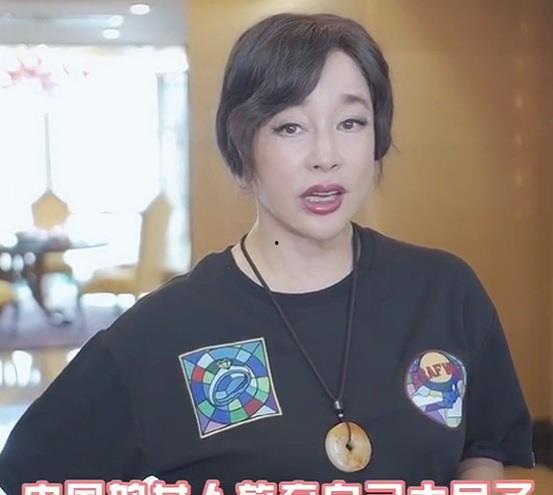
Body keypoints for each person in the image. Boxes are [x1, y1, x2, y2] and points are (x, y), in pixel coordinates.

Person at [0, 12, 534, 494]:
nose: (325, 156)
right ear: (242, 150)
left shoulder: (443, 291)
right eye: (290, 127)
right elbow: (32, 472)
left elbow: (486, 448)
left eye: (351, 123)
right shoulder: (165, 329)